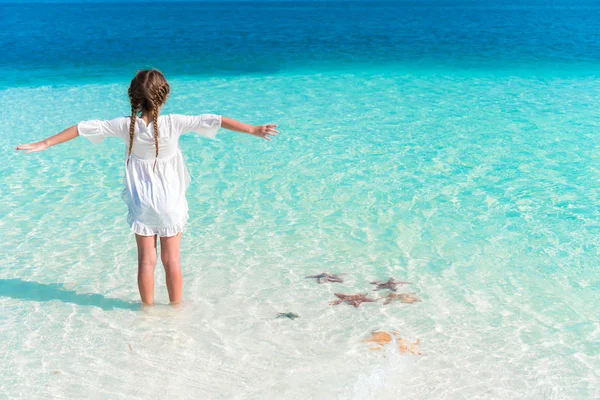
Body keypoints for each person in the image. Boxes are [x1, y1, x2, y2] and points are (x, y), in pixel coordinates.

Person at [16, 69, 278, 306]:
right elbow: (215, 120)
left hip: (143, 203)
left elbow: (81, 128)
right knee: (172, 261)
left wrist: (45, 143)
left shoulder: (124, 126)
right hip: (171, 204)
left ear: (133, 97)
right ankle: (175, 309)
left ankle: (147, 312)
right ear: (164, 95)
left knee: (146, 261)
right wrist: (253, 129)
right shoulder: (174, 122)